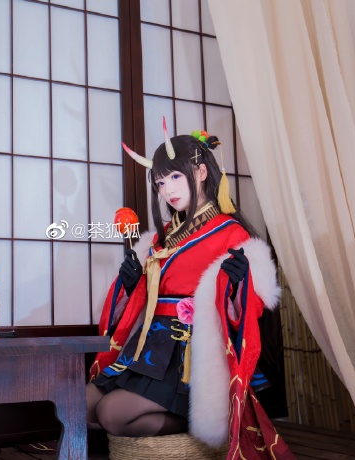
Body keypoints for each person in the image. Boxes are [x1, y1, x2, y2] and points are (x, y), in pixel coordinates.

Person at [86, 122, 295, 459]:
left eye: (174, 176)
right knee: (83, 406)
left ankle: (198, 419)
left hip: (189, 352)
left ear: (200, 172)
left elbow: (251, 308)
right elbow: (143, 299)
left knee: (111, 414)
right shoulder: (163, 236)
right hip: (149, 344)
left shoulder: (231, 233)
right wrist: (131, 283)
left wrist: (238, 286)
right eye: (160, 182)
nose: (167, 189)